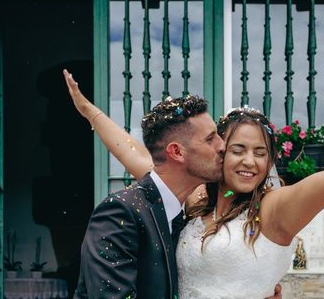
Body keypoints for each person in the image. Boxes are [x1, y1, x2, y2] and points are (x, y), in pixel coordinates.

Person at [65, 70, 324, 299]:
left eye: (260, 152)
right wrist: (90, 112)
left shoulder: (275, 210)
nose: (248, 161)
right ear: (218, 151)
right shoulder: (196, 200)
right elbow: (138, 155)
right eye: (236, 149)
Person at [73, 84, 225, 298]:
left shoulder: (186, 213)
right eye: (210, 139)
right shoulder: (120, 213)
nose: (222, 146)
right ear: (177, 152)